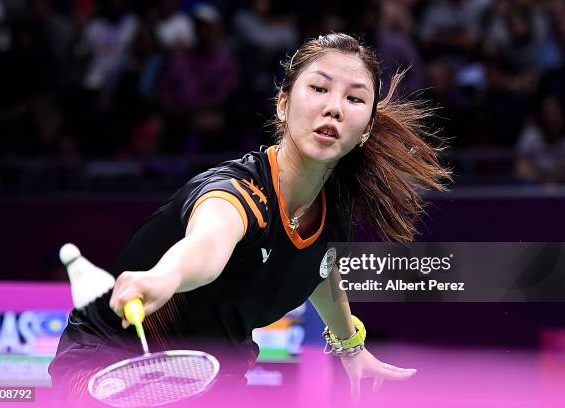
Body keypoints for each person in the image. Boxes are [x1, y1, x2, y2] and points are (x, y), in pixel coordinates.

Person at [49, 33, 451, 406]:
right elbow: (209, 243)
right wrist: (166, 277)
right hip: (110, 365)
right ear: (283, 103)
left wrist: (350, 344)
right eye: (319, 88)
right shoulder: (237, 192)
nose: (333, 106)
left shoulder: (334, 205)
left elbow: (319, 267)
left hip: (215, 370)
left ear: (364, 131)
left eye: (355, 98)